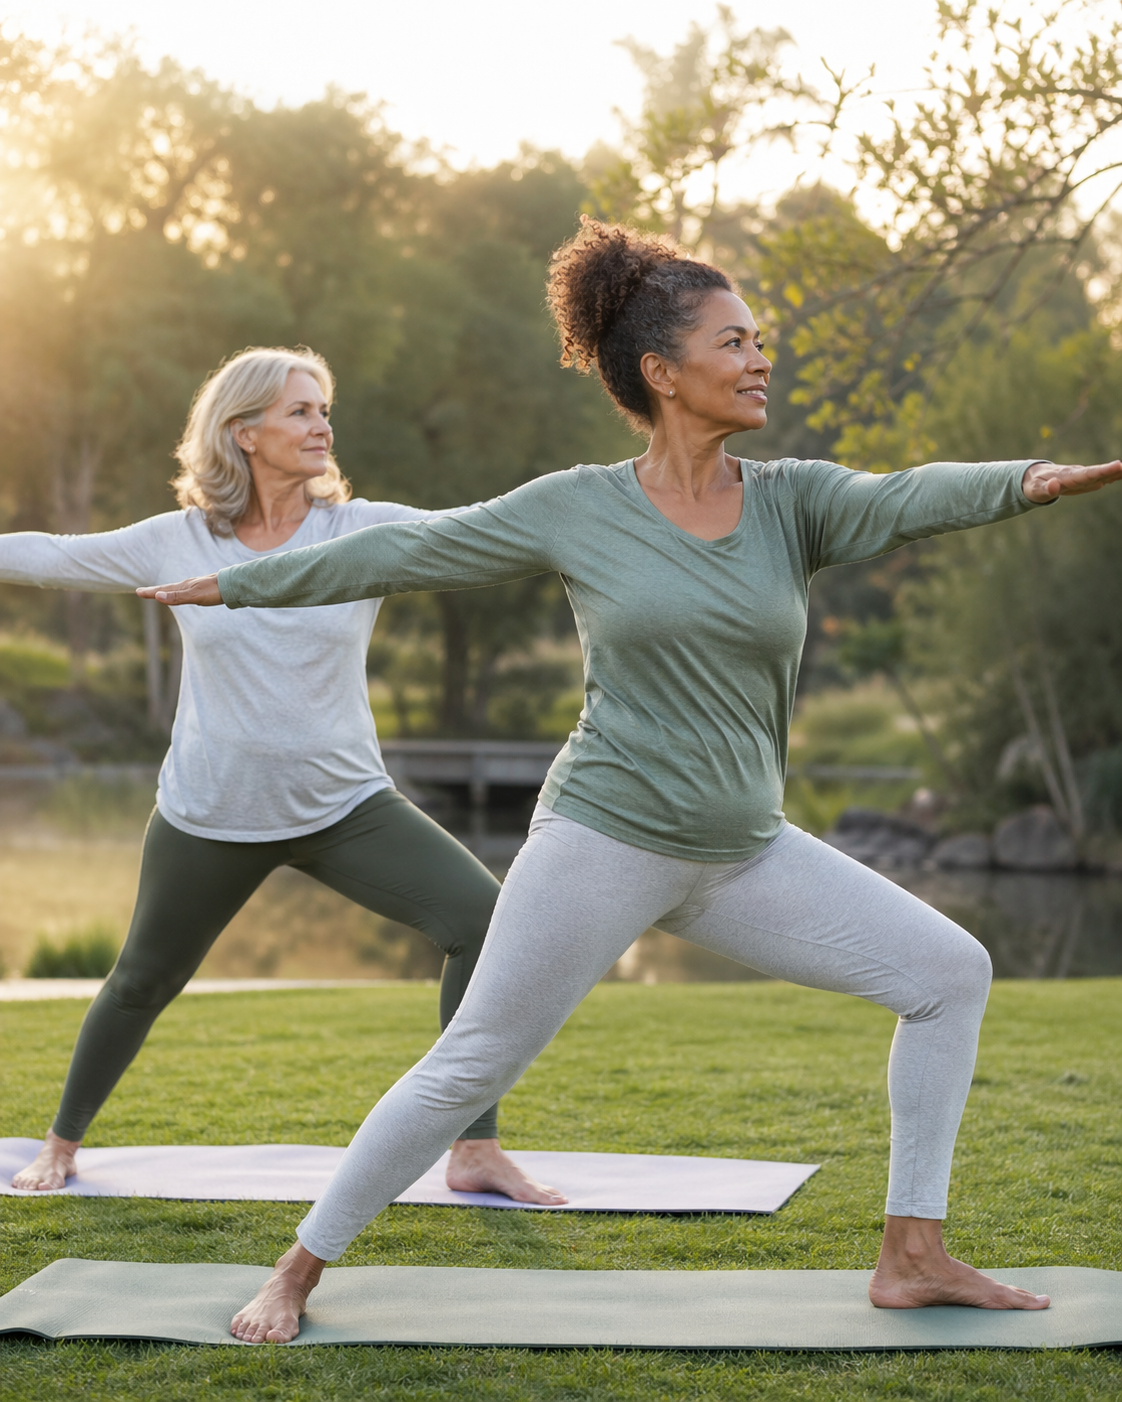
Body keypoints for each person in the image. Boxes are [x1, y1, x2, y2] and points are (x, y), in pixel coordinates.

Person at [143, 222, 1122, 1343]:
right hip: (603, 839)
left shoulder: (793, 500)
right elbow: (412, 553)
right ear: (661, 372)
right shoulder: (580, 506)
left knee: (951, 971)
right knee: (472, 1061)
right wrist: (242, 586)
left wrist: (1032, 480)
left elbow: (907, 495)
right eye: (735, 341)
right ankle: (296, 1271)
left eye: (761, 340)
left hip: (744, 849)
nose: (760, 359)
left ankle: (914, 1252)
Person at [3, 346, 563, 1207]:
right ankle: (61, 1144)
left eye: (323, 409)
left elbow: (481, 533)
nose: (322, 425)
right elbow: (52, 556)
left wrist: (606, 517)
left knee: (483, 919)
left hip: (345, 807)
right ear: (243, 432)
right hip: (209, 812)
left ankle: (474, 1145)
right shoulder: (178, 538)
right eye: (300, 410)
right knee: (142, 981)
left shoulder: (359, 529)